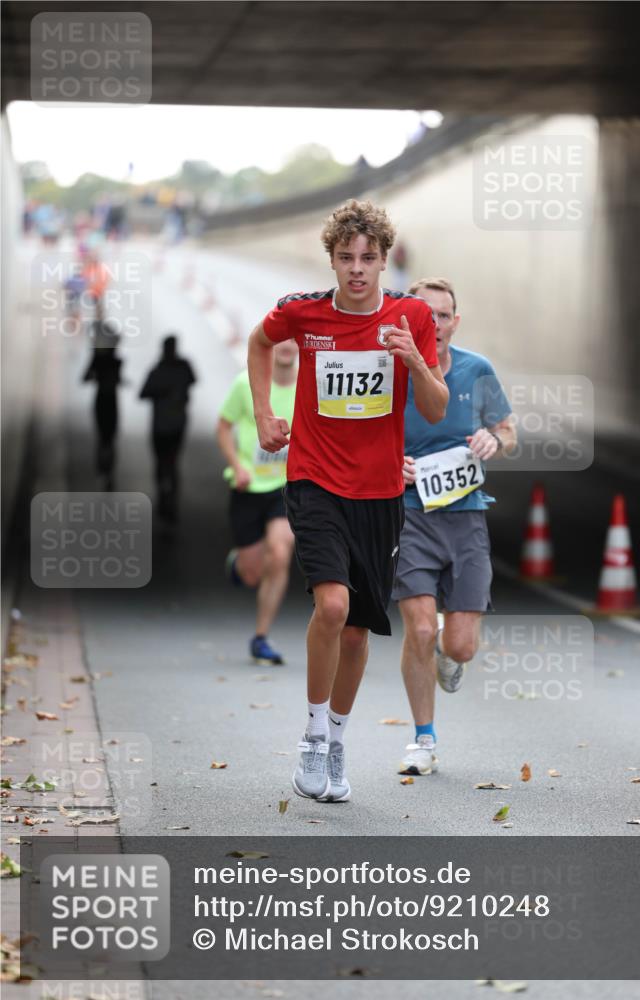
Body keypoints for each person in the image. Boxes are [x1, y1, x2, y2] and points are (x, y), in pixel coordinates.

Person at [247, 200, 448, 803]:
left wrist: (413, 358)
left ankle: (336, 737)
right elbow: (260, 344)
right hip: (314, 479)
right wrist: (264, 414)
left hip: (381, 490)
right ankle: (311, 736)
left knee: (358, 633)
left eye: (368, 258)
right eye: (346, 258)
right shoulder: (302, 314)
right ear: (331, 260)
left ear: (385, 260)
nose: (357, 269)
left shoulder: (411, 316)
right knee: (331, 606)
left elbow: (435, 406)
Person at [393, 278, 516, 777]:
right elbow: (356, 432)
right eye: (426, 315)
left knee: (459, 645)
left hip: (465, 516)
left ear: (454, 322)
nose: (436, 325)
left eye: (443, 316)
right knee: (420, 627)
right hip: (408, 513)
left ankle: (448, 648)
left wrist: (493, 438)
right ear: (410, 320)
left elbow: (508, 430)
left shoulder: (475, 369)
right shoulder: (390, 372)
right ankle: (423, 739)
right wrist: (388, 464)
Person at [217, 340, 299, 666]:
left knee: (280, 551)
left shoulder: (310, 386)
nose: (288, 346)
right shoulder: (245, 384)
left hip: (287, 486)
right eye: (281, 340)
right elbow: (223, 427)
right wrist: (237, 466)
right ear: (269, 345)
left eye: (295, 340)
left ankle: (261, 636)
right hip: (249, 486)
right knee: (252, 574)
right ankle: (240, 562)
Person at [139, 335, 196, 523]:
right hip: (175, 424)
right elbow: (192, 380)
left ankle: (165, 495)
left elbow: (143, 393)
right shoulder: (181, 367)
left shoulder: (158, 370)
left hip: (162, 425)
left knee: (163, 461)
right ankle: (169, 496)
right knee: (171, 461)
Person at [82, 326, 123, 491]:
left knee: (104, 438)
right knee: (109, 438)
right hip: (109, 402)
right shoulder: (114, 361)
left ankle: (103, 469)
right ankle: (107, 470)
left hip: (103, 401)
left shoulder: (100, 359)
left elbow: (85, 378)